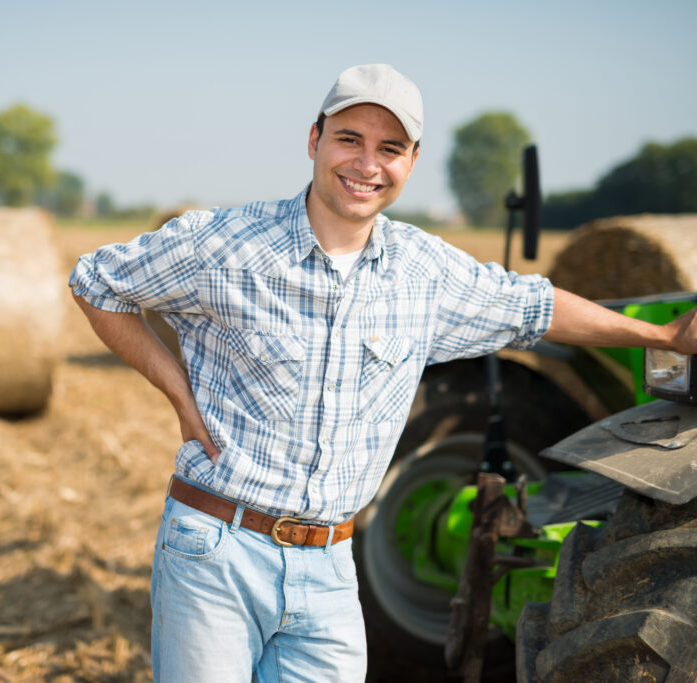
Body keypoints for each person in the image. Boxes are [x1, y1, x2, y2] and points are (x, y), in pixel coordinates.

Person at [68, 63, 697, 682]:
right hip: (219, 550)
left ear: (411, 162)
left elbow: (535, 306)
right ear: (314, 140)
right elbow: (96, 282)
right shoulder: (226, 242)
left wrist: (665, 336)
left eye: (389, 148)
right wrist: (178, 393)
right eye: (350, 139)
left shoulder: (424, 270)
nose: (367, 164)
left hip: (331, 568)